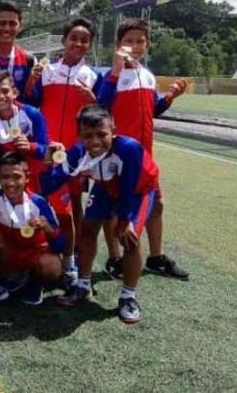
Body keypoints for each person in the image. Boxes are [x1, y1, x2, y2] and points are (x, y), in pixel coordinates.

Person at [41, 105, 159, 324]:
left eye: (102, 134)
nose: (95, 141)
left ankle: (128, 296)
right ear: (79, 136)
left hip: (138, 190)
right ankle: (83, 285)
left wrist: (124, 220)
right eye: (88, 136)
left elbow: (129, 188)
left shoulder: (129, 148)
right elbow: (49, 186)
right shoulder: (77, 152)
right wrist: (48, 161)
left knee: (129, 238)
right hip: (106, 187)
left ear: (114, 131)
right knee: (87, 230)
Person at [97, 18, 189, 280]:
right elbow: (101, 109)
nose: (134, 46)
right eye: (128, 41)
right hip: (117, 156)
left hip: (145, 157)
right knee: (113, 209)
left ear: (147, 45)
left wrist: (170, 96)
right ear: (118, 44)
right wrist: (114, 72)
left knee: (156, 204)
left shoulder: (147, 75)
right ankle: (114, 259)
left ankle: (156, 257)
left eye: (140, 41)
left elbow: (153, 110)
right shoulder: (110, 76)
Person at [24, 17, 102, 287]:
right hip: (46, 150)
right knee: (41, 198)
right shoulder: (46, 71)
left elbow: (101, 115)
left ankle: (75, 252)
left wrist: (93, 99)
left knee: (73, 203)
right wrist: (32, 83)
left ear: (89, 45)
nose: (78, 44)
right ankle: (42, 246)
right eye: (74, 39)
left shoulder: (94, 76)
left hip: (76, 152)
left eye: (84, 40)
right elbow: (31, 103)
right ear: (64, 41)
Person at [0, 152, 66, 308]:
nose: (11, 183)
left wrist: (48, 229)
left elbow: (61, 245)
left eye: (16, 177)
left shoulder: (39, 203)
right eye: (5, 177)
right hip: (8, 252)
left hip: (32, 254)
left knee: (52, 266)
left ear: (27, 177)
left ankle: (34, 283)